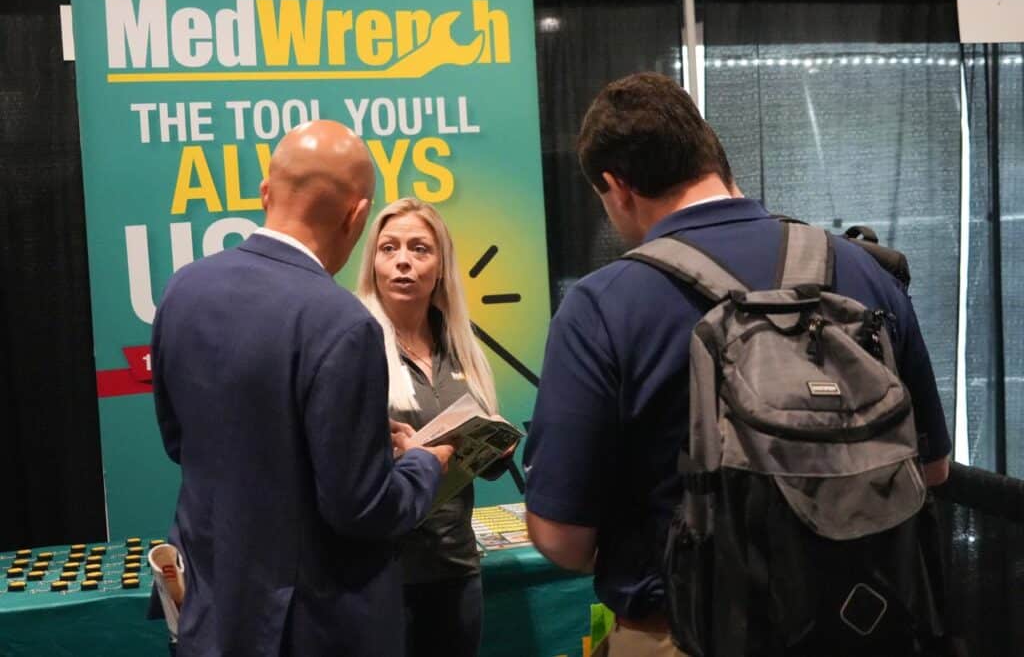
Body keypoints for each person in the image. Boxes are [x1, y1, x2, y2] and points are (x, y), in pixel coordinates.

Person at [523, 73, 952, 657]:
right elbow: (931, 470)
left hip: (689, 632)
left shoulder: (602, 304)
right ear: (714, 156)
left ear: (617, 187)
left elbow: (561, 538)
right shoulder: (866, 271)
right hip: (869, 623)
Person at [151, 121, 454, 656]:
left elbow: (182, 441)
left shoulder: (183, 289)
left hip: (212, 611)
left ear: (265, 193)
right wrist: (423, 466)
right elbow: (361, 510)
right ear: (357, 215)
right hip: (310, 626)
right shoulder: (342, 323)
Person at [355, 197, 509, 657]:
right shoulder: (354, 343)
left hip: (455, 565)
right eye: (389, 248)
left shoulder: (460, 343)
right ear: (373, 263)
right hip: (382, 572)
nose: (403, 260)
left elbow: (484, 467)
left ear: (441, 266)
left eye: (419, 248)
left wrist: (494, 447)